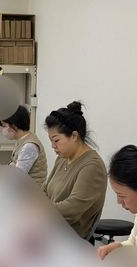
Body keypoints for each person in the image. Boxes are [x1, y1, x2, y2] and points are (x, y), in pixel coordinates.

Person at [42, 101, 107, 239]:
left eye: (56, 140)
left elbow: (72, 209)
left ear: (74, 136)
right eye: (51, 141)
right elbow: (46, 191)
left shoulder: (92, 166)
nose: (53, 146)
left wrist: (38, 211)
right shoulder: (63, 158)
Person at [0, 104, 48, 186]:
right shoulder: (22, 139)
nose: (3, 130)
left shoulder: (29, 146)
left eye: (4, 126)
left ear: (14, 125)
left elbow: (17, 177)